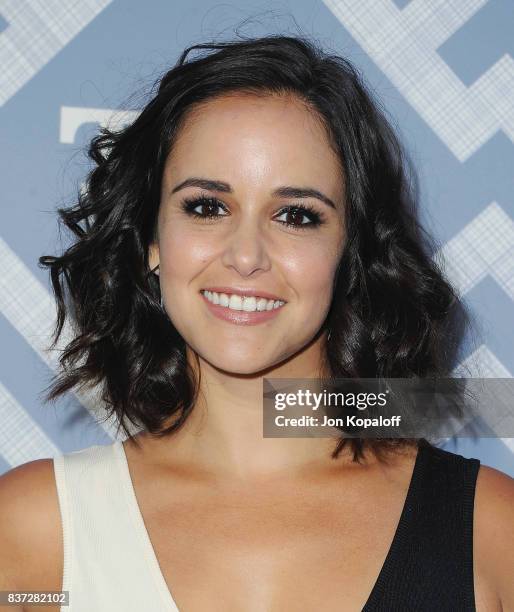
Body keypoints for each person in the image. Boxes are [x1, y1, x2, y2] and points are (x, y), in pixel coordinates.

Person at [0, 34, 513, 612]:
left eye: (296, 215)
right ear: (151, 239)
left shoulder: (490, 535)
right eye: (206, 206)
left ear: (350, 252)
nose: (246, 256)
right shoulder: (36, 537)